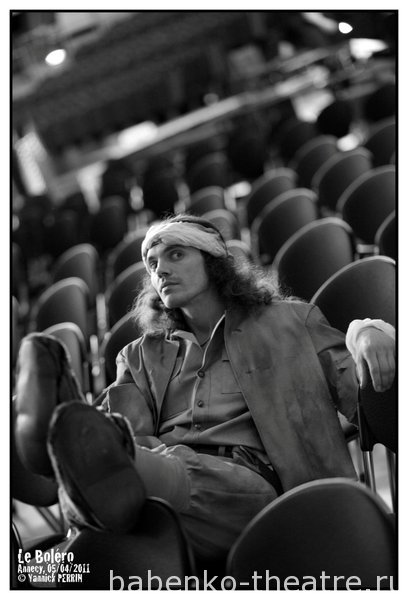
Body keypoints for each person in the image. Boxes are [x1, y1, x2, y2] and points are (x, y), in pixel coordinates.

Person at [14, 214, 395, 565]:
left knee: (109, 473)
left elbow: (366, 401)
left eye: (176, 254)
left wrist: (367, 332)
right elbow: (121, 431)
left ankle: (58, 445)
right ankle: (65, 447)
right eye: (152, 264)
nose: (161, 269)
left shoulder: (290, 321)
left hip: (259, 490)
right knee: (102, 495)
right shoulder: (139, 356)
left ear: (213, 262)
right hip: (154, 496)